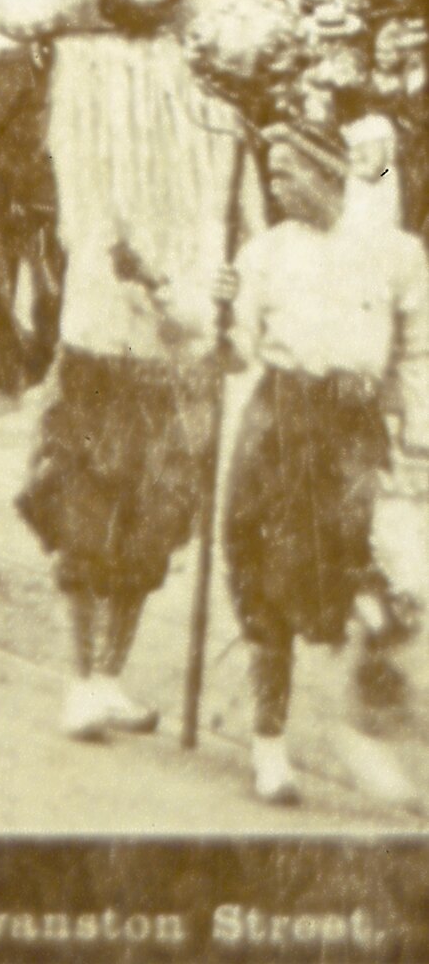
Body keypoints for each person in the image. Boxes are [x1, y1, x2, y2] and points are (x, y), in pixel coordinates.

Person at [15, 0, 261, 744]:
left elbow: (247, 229)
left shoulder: (219, 114)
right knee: (87, 514)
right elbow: (90, 218)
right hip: (105, 338)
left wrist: (236, 295)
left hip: (183, 348)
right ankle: (82, 678)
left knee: (154, 526)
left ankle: (109, 675)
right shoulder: (88, 85)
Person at [220, 121, 429, 805]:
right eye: (272, 173)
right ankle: (268, 744)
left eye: (291, 172)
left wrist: (418, 430)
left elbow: (419, 351)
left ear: (328, 173)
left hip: (356, 435)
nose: (279, 186)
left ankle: (367, 722)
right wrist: (218, 314)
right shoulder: (265, 252)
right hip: (280, 424)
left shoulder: (395, 253)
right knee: (268, 580)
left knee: (386, 582)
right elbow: (233, 351)